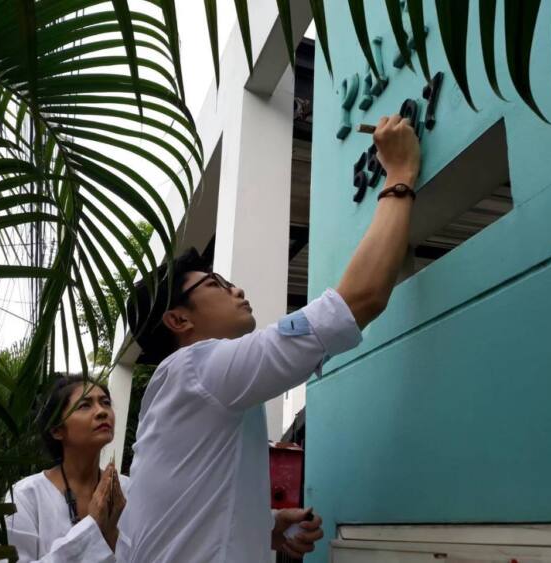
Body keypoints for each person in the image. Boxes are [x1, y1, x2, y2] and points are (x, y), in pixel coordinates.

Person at [120, 114, 420, 561]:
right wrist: (399, 172)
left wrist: (264, 526)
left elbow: (186, 512)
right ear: (178, 320)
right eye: (217, 284)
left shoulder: (177, 392)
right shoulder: (199, 368)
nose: (236, 290)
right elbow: (361, 298)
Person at [5, 375, 129, 562]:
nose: (102, 411)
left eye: (105, 403)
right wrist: (93, 527)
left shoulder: (127, 491)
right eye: (84, 405)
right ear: (57, 430)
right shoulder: (25, 496)